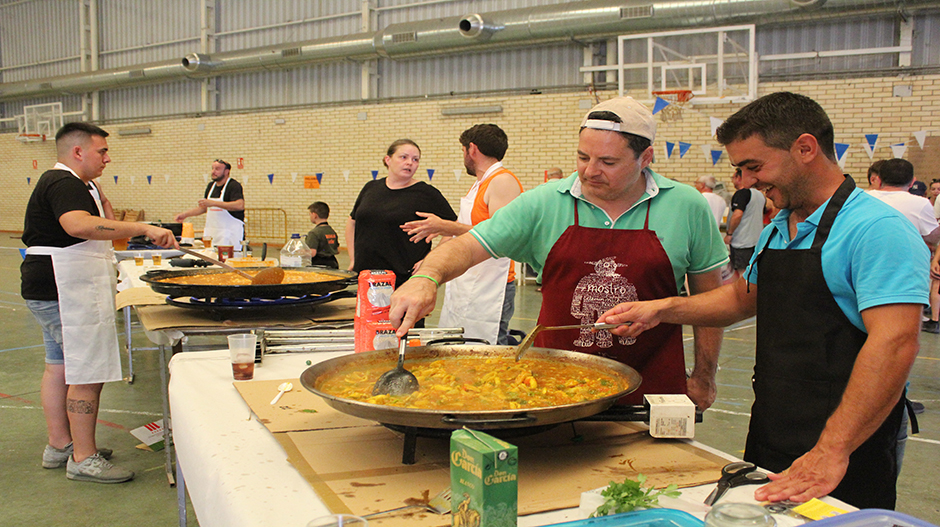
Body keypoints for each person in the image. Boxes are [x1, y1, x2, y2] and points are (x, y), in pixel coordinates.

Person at [599, 92, 929, 509]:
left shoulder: (876, 229)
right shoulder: (779, 229)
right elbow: (741, 299)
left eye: (754, 166)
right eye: (741, 169)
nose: (749, 181)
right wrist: (661, 309)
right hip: (775, 426)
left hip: (847, 443)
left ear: (805, 148)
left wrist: (832, 450)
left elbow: (895, 342)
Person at [389, 96, 728, 409]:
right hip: (552, 387)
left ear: (646, 158)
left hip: (652, 390)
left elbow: (710, 299)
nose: (589, 171)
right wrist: (426, 277)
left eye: (608, 161)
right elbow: (468, 244)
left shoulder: (686, 206)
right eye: (583, 157)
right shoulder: (546, 202)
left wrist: (704, 375)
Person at [21, 122, 178, 483]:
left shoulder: (76, 184)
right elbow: (79, 226)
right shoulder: (63, 183)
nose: (108, 157)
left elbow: (98, 220)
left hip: (49, 286)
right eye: (102, 151)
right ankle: (83, 456)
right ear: (78, 152)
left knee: (58, 366)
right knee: (87, 372)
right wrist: (143, 228)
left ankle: (60, 444)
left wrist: (100, 194)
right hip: (65, 286)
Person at [401, 124, 523, 345]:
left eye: (463, 151)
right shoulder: (479, 184)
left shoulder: (502, 182)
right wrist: (431, 261)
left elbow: (502, 236)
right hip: (468, 280)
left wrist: (446, 226)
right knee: (458, 342)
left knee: (487, 350)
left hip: (492, 285)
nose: (464, 157)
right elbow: (460, 230)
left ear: (472, 149)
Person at [346, 139, 457, 292]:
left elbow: (453, 228)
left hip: (404, 277)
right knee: (367, 315)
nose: (410, 163)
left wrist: (430, 260)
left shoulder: (426, 193)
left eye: (415, 159)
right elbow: (352, 222)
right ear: (388, 160)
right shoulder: (371, 188)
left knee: (402, 316)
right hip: (366, 274)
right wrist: (353, 259)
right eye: (403, 157)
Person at [867, 159, 940, 333]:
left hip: (868, 266)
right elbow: (933, 236)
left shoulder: (862, 197)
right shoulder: (920, 203)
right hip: (905, 272)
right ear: (912, 181)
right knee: (901, 328)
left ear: (878, 178)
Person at [174, 159, 245, 250]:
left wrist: (213, 203)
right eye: (212, 168)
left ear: (226, 171)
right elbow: (203, 208)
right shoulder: (211, 186)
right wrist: (185, 215)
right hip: (212, 233)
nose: (213, 171)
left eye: (217, 169)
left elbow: (239, 205)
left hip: (229, 234)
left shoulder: (234, 185)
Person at [725, 168, 766, 283]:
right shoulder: (760, 195)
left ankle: (743, 298)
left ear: (739, 178)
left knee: (742, 274)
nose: (733, 181)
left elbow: (737, 215)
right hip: (756, 240)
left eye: (733, 178)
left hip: (741, 242)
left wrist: (729, 233)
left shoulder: (742, 193)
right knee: (752, 272)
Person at [305, 201, 339, 269]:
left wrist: (301, 252)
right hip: (333, 263)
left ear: (315, 215)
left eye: (310, 214)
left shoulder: (313, 233)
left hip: (319, 265)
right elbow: (338, 250)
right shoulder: (331, 231)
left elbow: (312, 253)